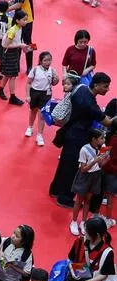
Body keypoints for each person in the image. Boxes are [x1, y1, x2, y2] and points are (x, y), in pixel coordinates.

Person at [50, 71, 112, 207]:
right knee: (72, 168)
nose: (107, 89)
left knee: (64, 165)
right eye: (105, 86)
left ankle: (55, 190)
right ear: (96, 85)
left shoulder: (82, 88)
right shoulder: (90, 104)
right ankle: (64, 198)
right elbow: (107, 122)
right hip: (78, 137)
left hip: (69, 132)